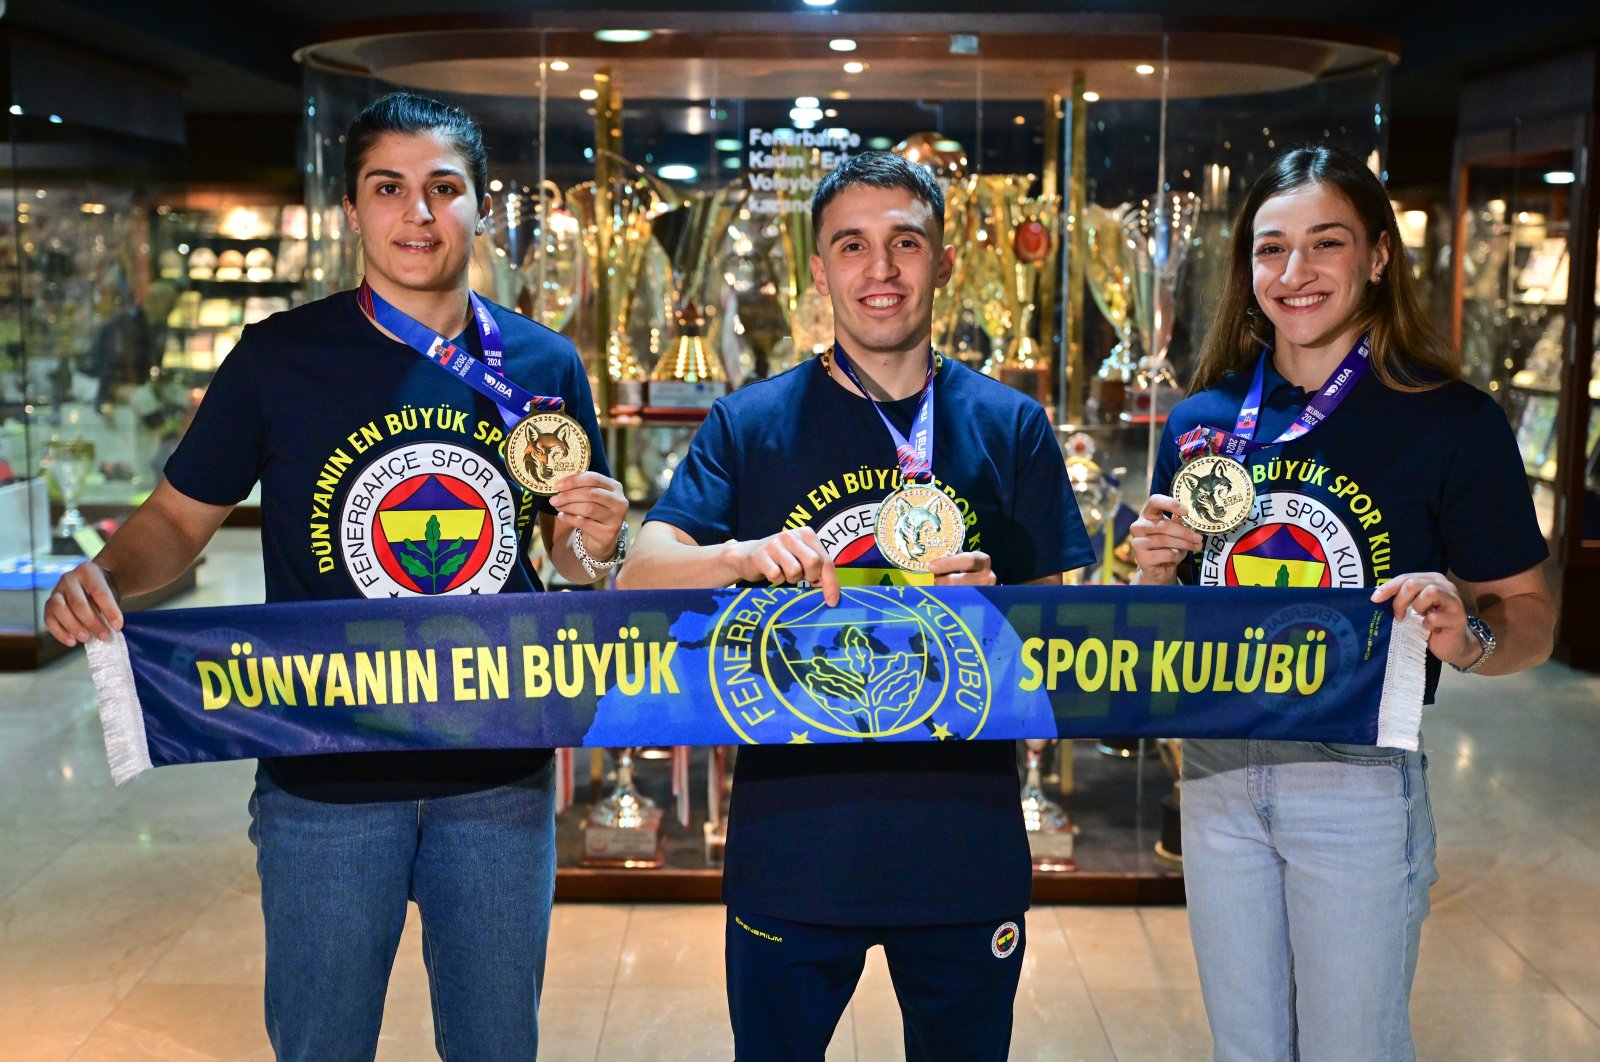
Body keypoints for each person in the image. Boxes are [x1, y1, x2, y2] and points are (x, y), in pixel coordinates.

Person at [44, 91, 628, 1061]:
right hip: (324, 770)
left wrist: (597, 546)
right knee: (322, 1045)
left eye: (445, 188)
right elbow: (179, 521)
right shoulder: (280, 357)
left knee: (496, 1046)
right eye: (388, 188)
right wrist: (101, 574)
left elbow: (563, 558)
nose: (419, 214)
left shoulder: (542, 361)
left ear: (481, 206)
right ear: (352, 210)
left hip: (495, 769)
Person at [618, 151, 1094, 1061]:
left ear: (944, 260)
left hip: (964, 848)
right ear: (820, 268)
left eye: (904, 243)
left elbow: (1063, 641)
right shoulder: (751, 423)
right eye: (852, 246)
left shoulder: (1011, 424)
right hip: (795, 843)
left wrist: (1004, 615)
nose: (880, 271)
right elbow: (641, 569)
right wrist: (740, 555)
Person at [1130, 145, 1555, 1061]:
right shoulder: (1201, 420)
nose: (1295, 273)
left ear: (1377, 256)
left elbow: (1528, 614)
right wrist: (1150, 576)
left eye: (1325, 243)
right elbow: (1162, 631)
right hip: (1215, 772)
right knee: (1247, 1050)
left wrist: (1469, 637)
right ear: (1245, 268)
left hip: (1357, 777)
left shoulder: (1451, 421)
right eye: (1269, 248)